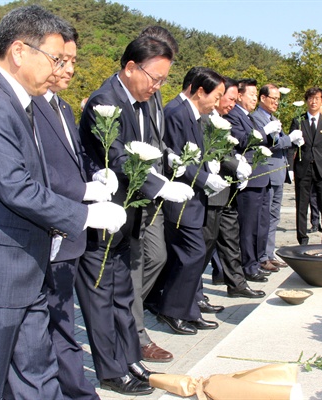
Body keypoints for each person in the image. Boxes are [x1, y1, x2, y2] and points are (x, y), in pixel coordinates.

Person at [0, 6, 125, 399]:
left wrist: (84, 191)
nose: (58, 68)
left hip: (26, 267)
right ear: (20, 51)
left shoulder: (22, 103)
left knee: (37, 375)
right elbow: (14, 187)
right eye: (54, 58)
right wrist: (85, 213)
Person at [77, 34, 193, 395]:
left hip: (131, 215)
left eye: (163, 81)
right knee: (102, 296)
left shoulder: (142, 100)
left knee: (124, 292)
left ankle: (129, 359)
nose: (157, 87)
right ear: (130, 68)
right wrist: (160, 187)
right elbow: (120, 157)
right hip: (104, 214)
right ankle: (111, 370)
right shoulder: (103, 102)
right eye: (154, 78)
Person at [32, 26, 108, 400]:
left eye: (73, 61)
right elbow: (36, 174)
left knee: (62, 319)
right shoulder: (28, 106)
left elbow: (72, 161)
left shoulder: (61, 106)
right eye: (62, 60)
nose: (69, 69)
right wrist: (82, 192)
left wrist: (95, 175)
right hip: (49, 228)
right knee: (51, 324)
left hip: (70, 232)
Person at [157, 68, 228, 335]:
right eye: (217, 95)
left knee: (194, 255)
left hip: (193, 197)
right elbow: (176, 158)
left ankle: (188, 310)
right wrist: (204, 179)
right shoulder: (176, 112)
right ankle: (172, 310)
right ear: (200, 91)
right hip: (181, 198)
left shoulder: (193, 114)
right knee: (192, 254)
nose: (218, 102)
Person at [128, 25, 180, 364]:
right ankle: (135, 332)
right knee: (134, 265)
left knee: (157, 257)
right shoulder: (124, 92)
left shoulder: (154, 92)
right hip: (135, 191)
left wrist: (167, 157)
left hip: (154, 185)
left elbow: (154, 136)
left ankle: (127, 310)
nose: (159, 82)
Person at [203, 77, 266, 299]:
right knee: (205, 245)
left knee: (231, 238)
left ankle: (237, 283)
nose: (230, 104)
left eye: (230, 99)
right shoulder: (207, 119)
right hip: (211, 191)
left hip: (227, 190)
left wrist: (238, 164)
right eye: (226, 99)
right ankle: (193, 293)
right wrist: (236, 164)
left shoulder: (220, 119)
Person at [224, 78, 275, 282]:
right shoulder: (234, 115)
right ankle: (248, 266)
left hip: (260, 176)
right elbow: (243, 141)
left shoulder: (248, 117)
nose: (254, 99)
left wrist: (270, 134)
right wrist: (265, 132)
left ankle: (254, 262)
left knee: (260, 224)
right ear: (239, 95)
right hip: (249, 177)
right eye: (252, 95)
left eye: (256, 95)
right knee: (247, 227)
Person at [251, 84, 303, 268]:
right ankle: (261, 256)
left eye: (278, 100)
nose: (276, 103)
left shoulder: (273, 118)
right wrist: (289, 139)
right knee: (264, 217)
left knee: (274, 216)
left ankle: (269, 252)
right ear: (262, 98)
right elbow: (267, 145)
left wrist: (293, 140)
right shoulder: (256, 118)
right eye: (273, 98)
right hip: (266, 172)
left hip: (278, 172)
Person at [290, 87, 322, 245]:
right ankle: (302, 237)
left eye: (317, 98)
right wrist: (290, 167)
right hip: (303, 168)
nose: (313, 101)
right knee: (302, 204)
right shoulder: (298, 120)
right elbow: (291, 147)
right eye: (310, 98)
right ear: (306, 101)